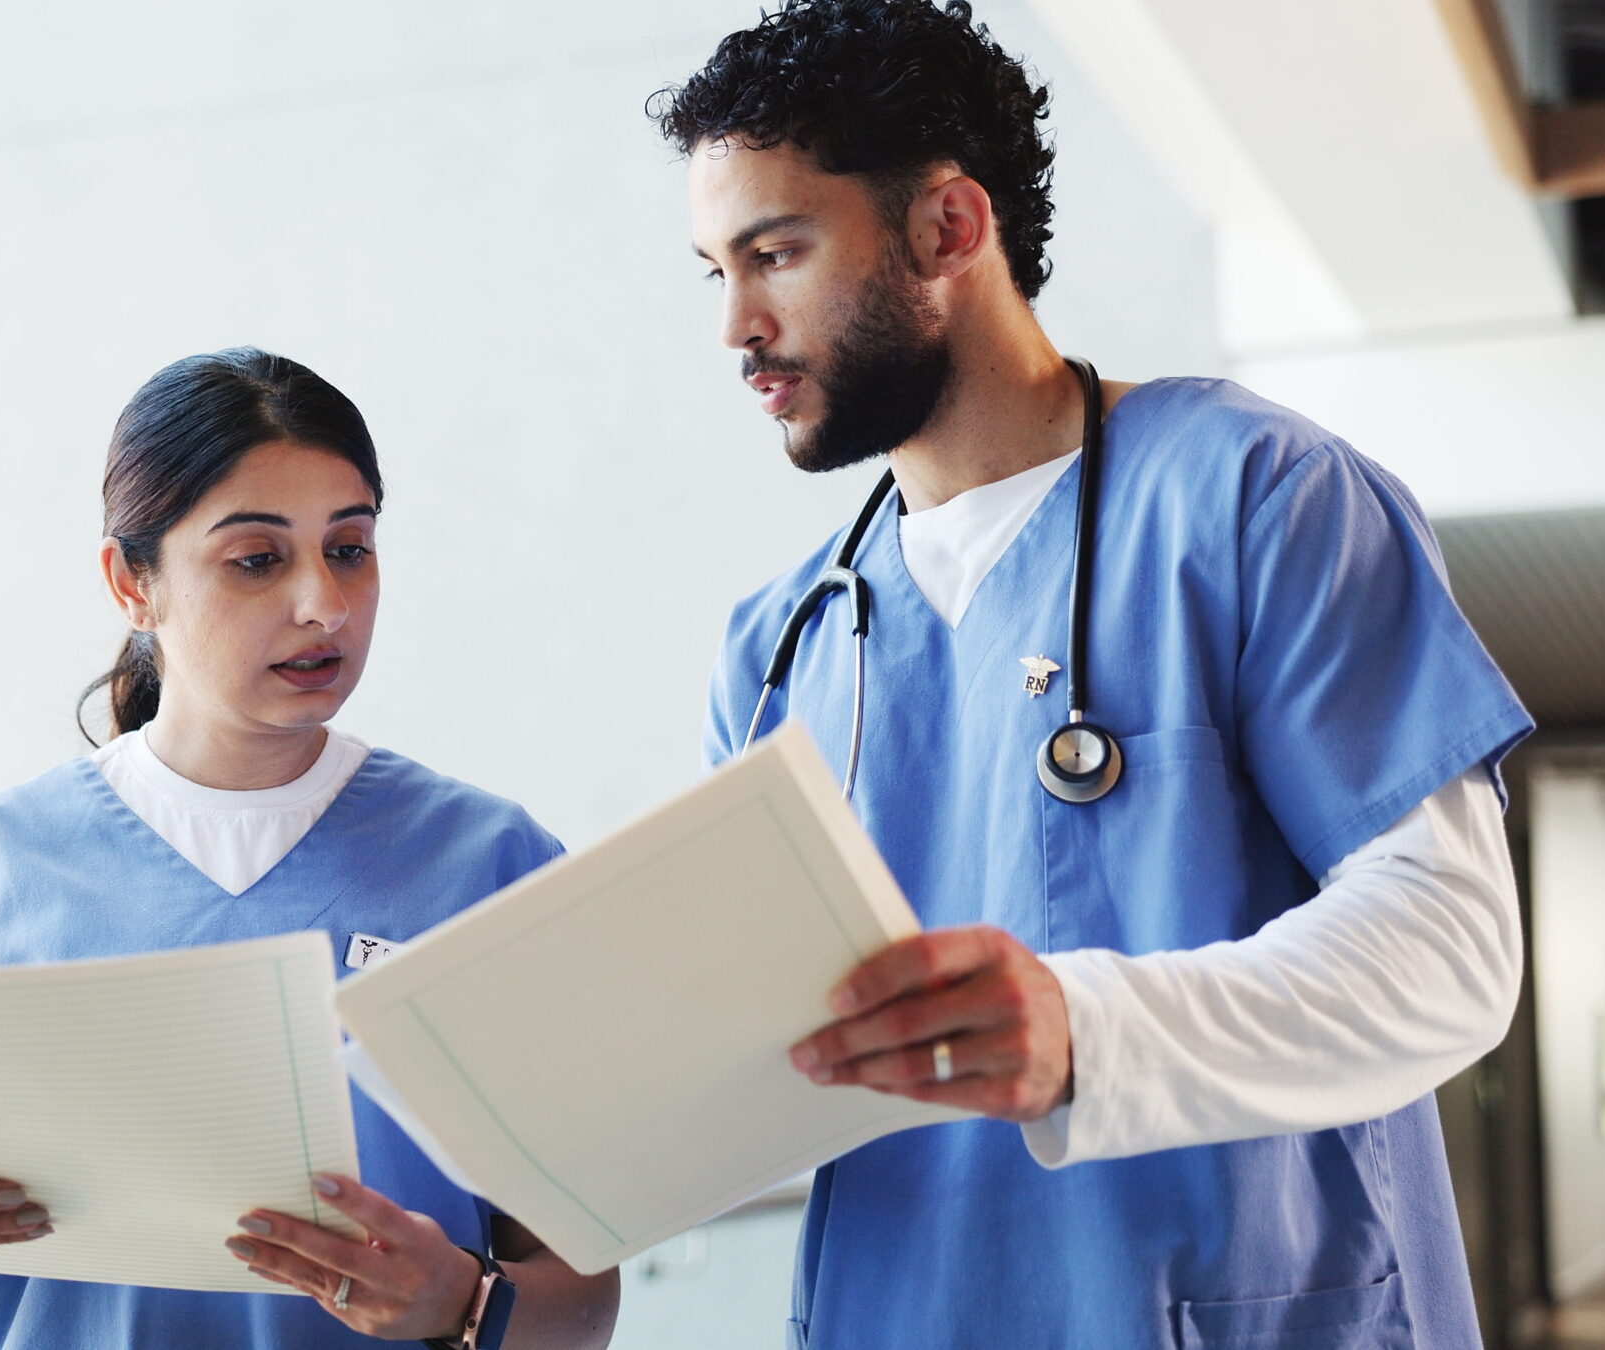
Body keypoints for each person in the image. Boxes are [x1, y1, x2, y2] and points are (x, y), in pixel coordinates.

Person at [653, 3, 1532, 1346]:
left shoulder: (1255, 501)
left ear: (949, 229)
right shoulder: (780, 647)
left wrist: (1088, 1028)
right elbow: (776, 1067)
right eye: (713, 269)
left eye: (774, 252)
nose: (736, 326)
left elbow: (1448, 948)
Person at [0, 349, 617, 1350]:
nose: (323, 606)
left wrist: (458, 1305)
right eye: (257, 559)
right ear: (132, 584)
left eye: (349, 549)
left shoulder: (491, 866)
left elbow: (582, 1301)